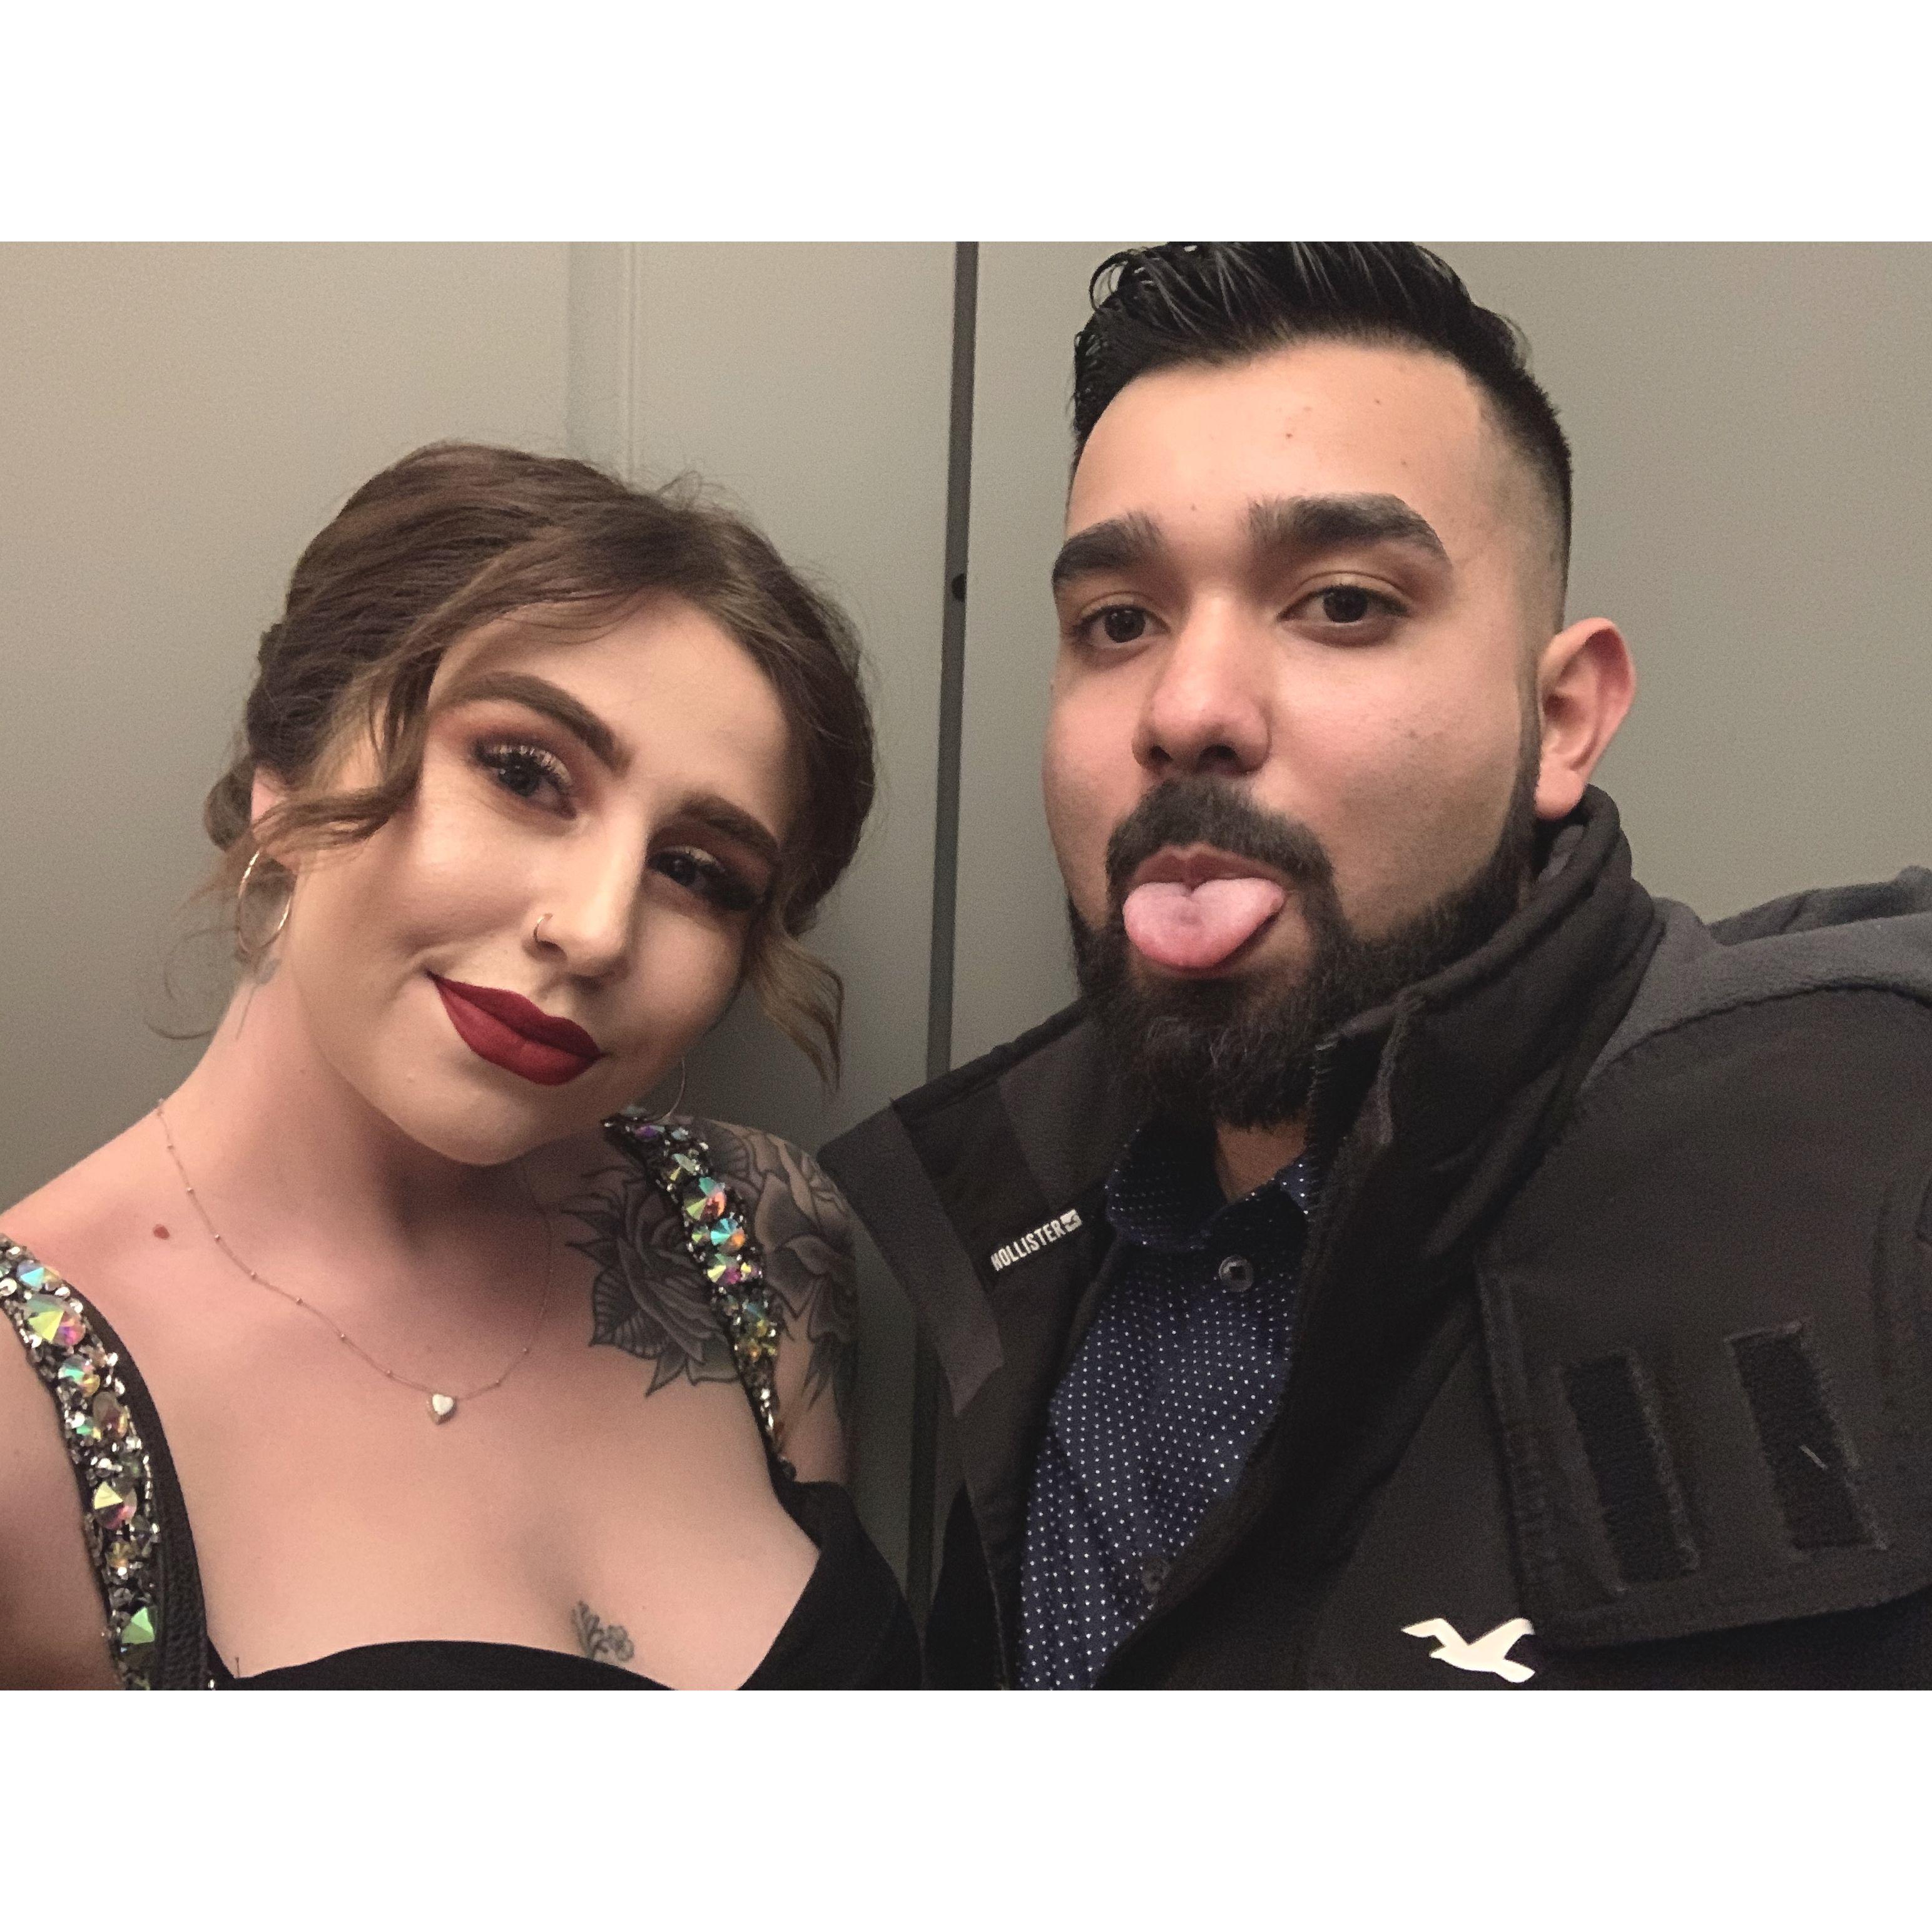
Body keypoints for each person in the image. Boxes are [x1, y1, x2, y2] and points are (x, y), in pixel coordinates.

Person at [822, 243, 1932, 1689]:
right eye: (1118, 621)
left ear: (1561, 718)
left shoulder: (1862, 1147)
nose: (1185, 707)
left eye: (1342, 602)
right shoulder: (1035, 1229)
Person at [0, 441, 918, 1689]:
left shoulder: (757, 1235)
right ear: (285, 775)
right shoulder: (24, 1408)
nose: (596, 929)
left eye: (697, 871)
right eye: (524, 773)